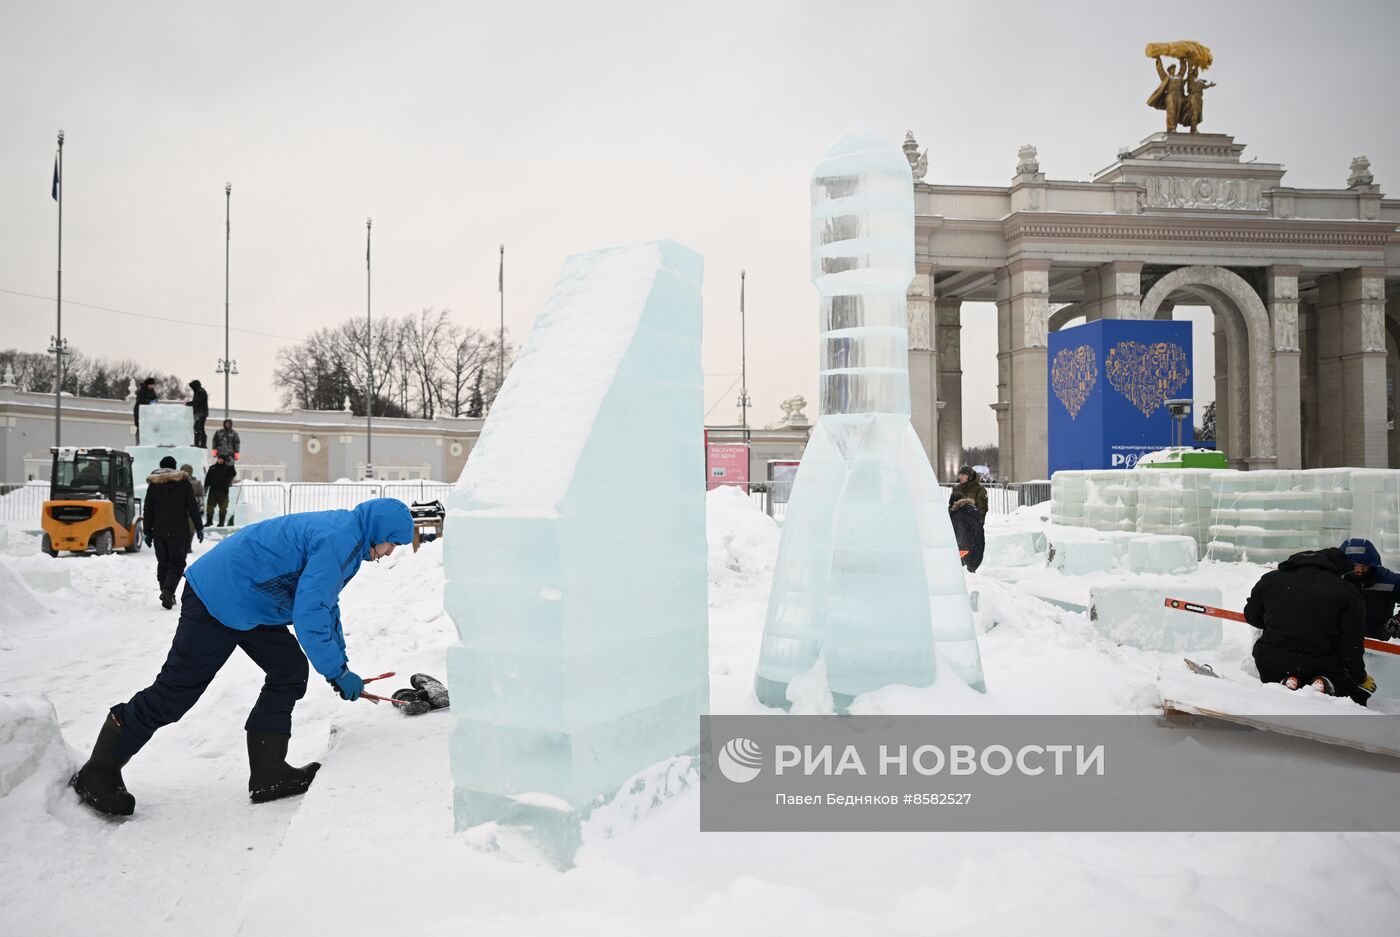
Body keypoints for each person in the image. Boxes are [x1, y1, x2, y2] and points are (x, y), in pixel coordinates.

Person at [70, 498, 414, 817]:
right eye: (393, 544)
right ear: (381, 531)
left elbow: (324, 604)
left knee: (289, 669)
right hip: (218, 597)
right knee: (175, 694)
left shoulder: (347, 536)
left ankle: (269, 773)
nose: (388, 553)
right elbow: (311, 613)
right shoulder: (341, 538)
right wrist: (338, 673)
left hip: (249, 600)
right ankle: (98, 772)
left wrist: (341, 667)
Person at [1244, 547, 1373, 705]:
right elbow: (1351, 643)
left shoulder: (1270, 580)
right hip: (1322, 663)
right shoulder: (1345, 591)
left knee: (1279, 678)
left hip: (1271, 661)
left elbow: (1252, 616)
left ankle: (1289, 680)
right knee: (1342, 688)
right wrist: (1360, 677)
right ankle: (1323, 683)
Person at [144, 456, 204, 609]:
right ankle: (168, 591)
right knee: (176, 563)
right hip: (179, 531)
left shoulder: (153, 485)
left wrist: (147, 532)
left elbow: (148, 510)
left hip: (159, 531)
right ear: (175, 467)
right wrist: (199, 527)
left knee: (163, 563)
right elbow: (192, 507)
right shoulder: (183, 483)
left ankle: (165, 590)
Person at [1339, 538, 1400, 641]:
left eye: (1365, 565)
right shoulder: (1336, 580)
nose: (1360, 570)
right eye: (1355, 565)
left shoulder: (1390, 580)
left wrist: (1398, 620)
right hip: (1343, 642)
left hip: (1381, 648)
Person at [949, 497, 985, 572]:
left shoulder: (959, 516)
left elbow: (961, 537)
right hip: (977, 557)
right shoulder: (974, 515)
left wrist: (960, 556)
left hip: (965, 556)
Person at [204, 454, 237, 527]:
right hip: (213, 492)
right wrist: (206, 487)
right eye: (219, 459)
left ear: (224, 460)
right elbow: (208, 479)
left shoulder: (227, 468)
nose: (220, 460)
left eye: (222, 459)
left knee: (223, 508)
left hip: (223, 492)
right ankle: (209, 522)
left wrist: (232, 466)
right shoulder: (212, 468)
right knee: (209, 507)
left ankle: (221, 523)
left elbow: (233, 474)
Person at [182, 462, 205, 536]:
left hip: (191, 510)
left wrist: (201, 508)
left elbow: (200, 496)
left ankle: (187, 546)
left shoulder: (196, 483)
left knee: (191, 530)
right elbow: (200, 497)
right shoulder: (178, 482)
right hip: (186, 510)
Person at [133, 377, 158, 444]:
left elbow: (155, 398)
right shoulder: (141, 391)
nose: (152, 386)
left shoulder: (152, 391)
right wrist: (149, 402)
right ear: (148, 384)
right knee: (140, 427)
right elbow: (140, 401)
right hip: (139, 412)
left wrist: (154, 402)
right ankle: (138, 442)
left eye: (153, 385)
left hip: (149, 413)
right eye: (151, 385)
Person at [186, 379, 209, 448]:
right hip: (201, 413)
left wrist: (188, 403)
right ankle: (200, 444)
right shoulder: (199, 391)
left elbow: (196, 402)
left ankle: (199, 444)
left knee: (198, 428)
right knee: (200, 428)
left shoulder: (200, 392)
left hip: (200, 413)